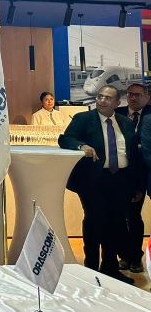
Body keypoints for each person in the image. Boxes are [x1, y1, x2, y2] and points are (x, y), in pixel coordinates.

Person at [58, 85, 142, 284]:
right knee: (95, 223)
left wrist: (137, 186)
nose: (102, 100)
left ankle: (110, 269)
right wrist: (81, 145)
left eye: (108, 98)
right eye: (100, 96)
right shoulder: (83, 119)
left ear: (117, 103)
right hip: (94, 181)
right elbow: (65, 139)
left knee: (116, 224)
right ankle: (91, 269)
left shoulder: (125, 123)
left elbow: (134, 155)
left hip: (120, 180)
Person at [116, 83, 150, 273]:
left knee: (134, 217)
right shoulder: (117, 113)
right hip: (119, 173)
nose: (133, 98)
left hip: (143, 173)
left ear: (147, 96)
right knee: (120, 217)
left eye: (137, 95)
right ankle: (124, 256)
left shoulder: (150, 114)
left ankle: (136, 258)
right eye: (130, 94)